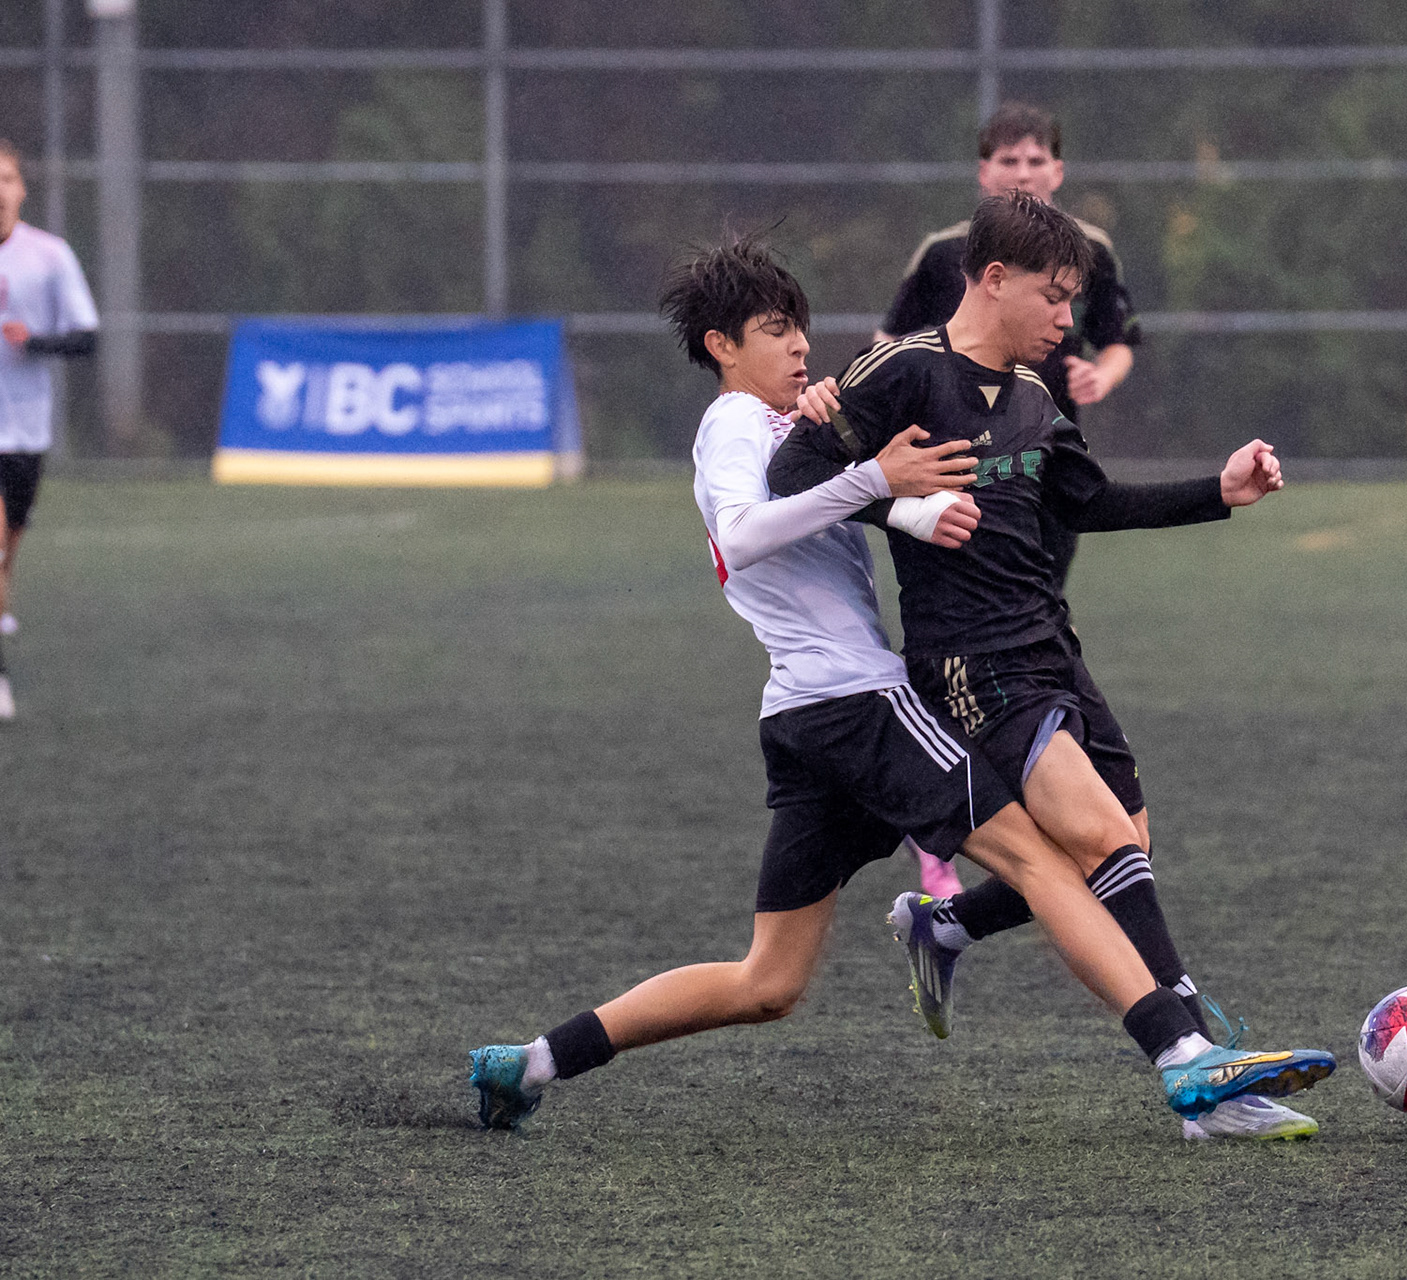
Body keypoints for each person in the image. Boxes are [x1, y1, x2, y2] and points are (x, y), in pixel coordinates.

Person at [464, 234, 1333, 1133]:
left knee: (768, 982)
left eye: (799, 327)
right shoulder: (732, 424)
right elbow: (742, 536)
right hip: (861, 703)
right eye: (775, 331)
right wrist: (877, 478)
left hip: (806, 715)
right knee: (1044, 859)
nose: (800, 345)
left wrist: (884, 488)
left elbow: (849, 488)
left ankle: (530, 1062)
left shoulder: (789, 419)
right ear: (723, 346)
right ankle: (1184, 1058)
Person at [771, 194, 1323, 1141]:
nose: (1069, 319)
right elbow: (790, 481)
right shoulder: (901, 372)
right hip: (967, 662)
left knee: (1125, 844)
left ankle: (945, 927)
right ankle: (1200, 1066)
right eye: (1055, 296)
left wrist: (1220, 492)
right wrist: (896, 505)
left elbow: (1088, 501)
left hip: (1051, 650)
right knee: (1102, 838)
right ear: (994, 280)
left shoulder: (1034, 397)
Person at [878, 102, 1143, 896]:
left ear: (1058, 171)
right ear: (983, 173)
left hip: (1047, 471)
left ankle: (1025, 799)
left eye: (1035, 161)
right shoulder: (945, 255)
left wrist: (1101, 375)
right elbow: (891, 345)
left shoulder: (1089, 250)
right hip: (958, 471)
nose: (1022, 174)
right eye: (1008, 161)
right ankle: (941, 811)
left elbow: (1120, 340)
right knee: (964, 637)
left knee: (1034, 624)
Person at [0, 139, 99, 721]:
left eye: (6, 178)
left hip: (25, 431)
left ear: (22, 190)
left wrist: (34, 343)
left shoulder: (49, 255)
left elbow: (86, 338)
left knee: (6, 554)